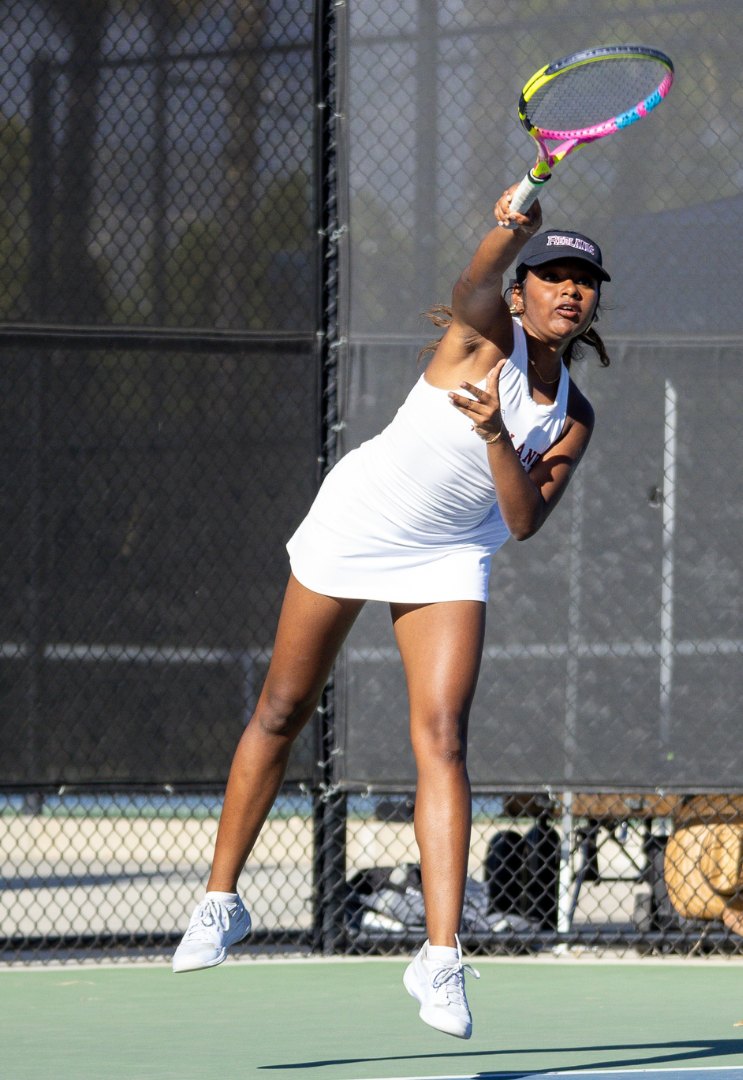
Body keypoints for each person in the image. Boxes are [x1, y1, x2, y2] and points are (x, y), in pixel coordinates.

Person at [169, 185, 604, 1040]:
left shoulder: (574, 415)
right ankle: (221, 900)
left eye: (583, 283)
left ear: (593, 306)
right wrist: (504, 232)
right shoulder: (485, 333)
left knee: (441, 738)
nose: (567, 291)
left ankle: (439, 957)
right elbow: (476, 282)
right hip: (360, 518)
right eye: (550, 275)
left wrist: (492, 437)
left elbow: (521, 520)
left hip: (453, 550)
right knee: (283, 709)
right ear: (523, 295)